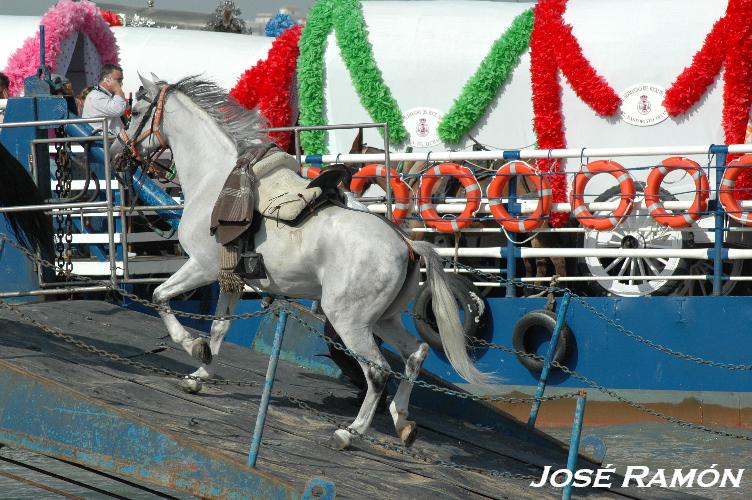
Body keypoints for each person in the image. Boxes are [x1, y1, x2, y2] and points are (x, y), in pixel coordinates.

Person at [82, 64, 127, 136]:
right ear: (107, 80)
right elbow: (118, 109)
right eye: (119, 80)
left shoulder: (104, 95)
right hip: (103, 142)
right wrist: (118, 90)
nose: (121, 84)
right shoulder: (95, 97)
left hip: (114, 140)